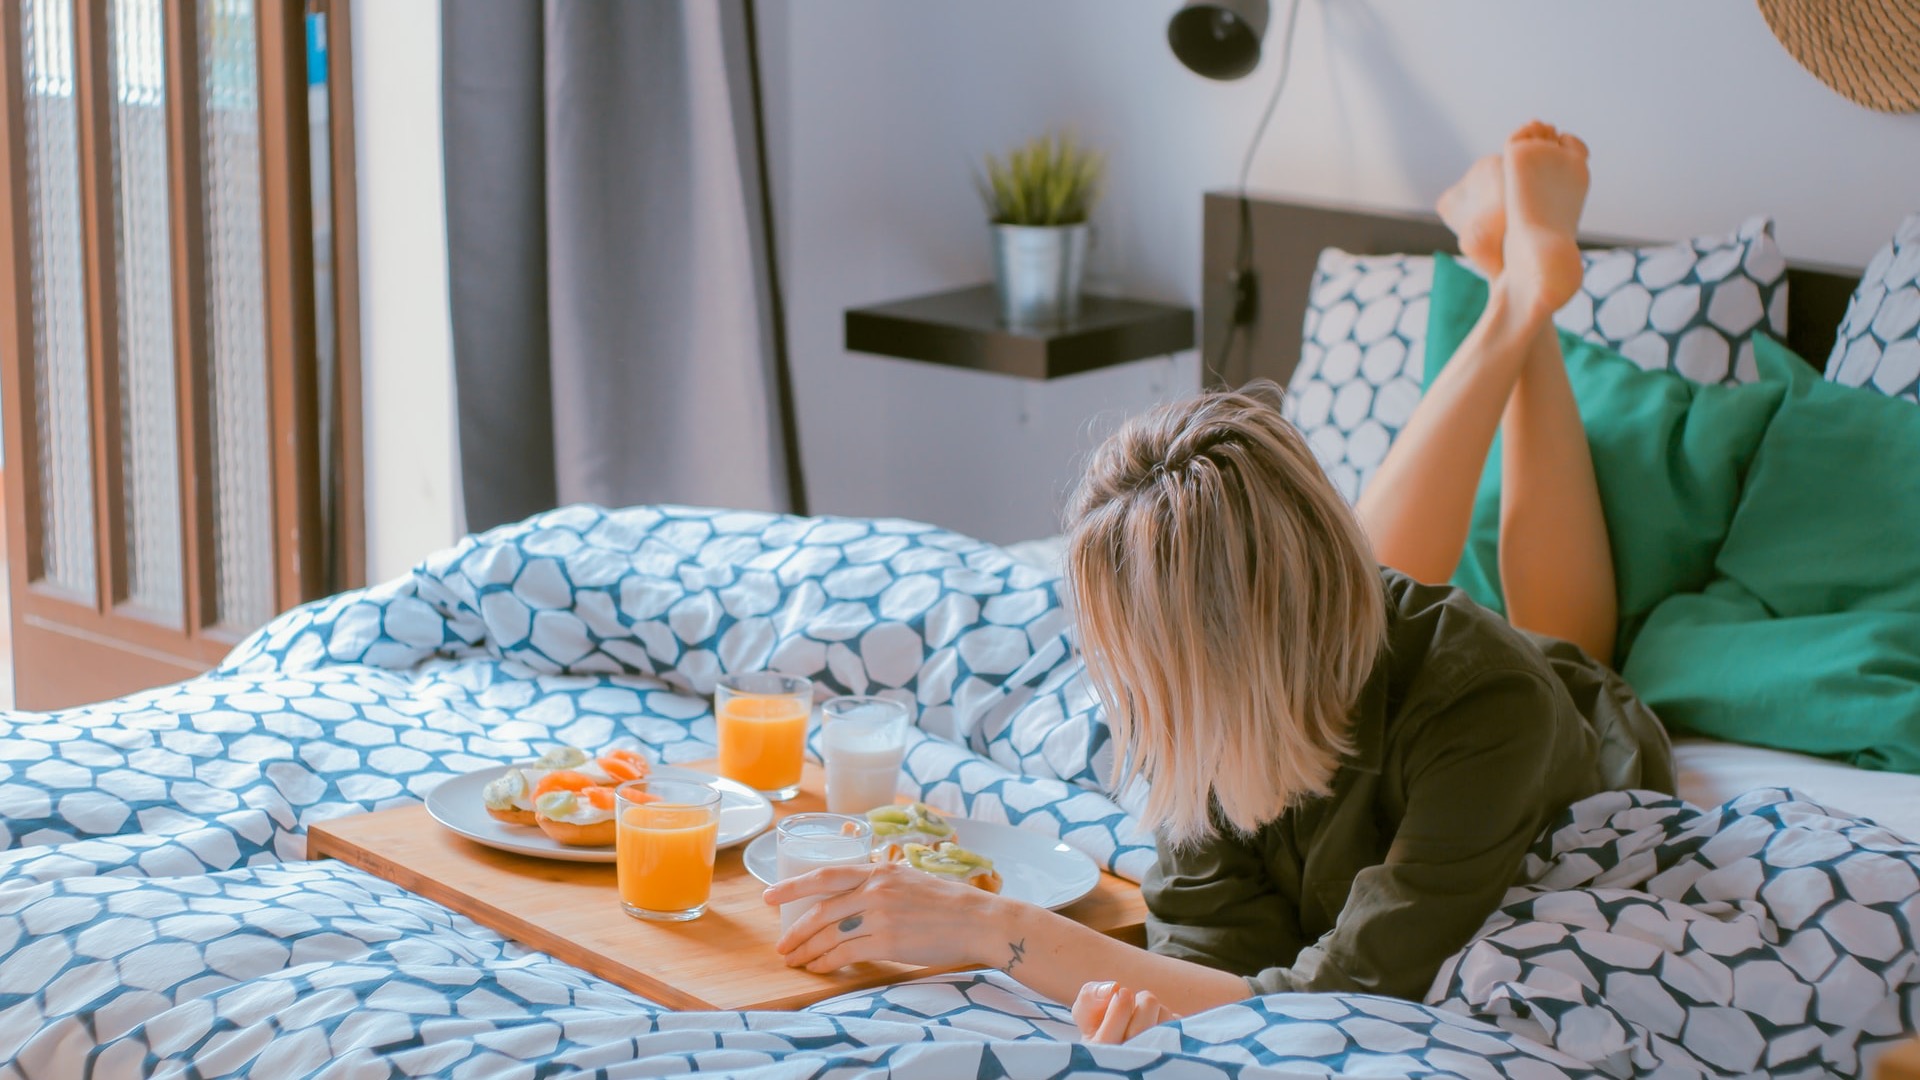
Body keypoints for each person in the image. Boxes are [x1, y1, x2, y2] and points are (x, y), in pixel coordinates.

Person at [761, 121, 1674, 1044]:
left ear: (1222, 649)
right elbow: (1215, 951)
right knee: (1370, 574)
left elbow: (1350, 996)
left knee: (1566, 639)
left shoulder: (1489, 712)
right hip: (1326, 645)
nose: (1123, 692)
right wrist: (1165, 1001)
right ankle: (1516, 290)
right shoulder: (1193, 705)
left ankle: (1524, 300)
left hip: (1555, 709)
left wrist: (1002, 931)